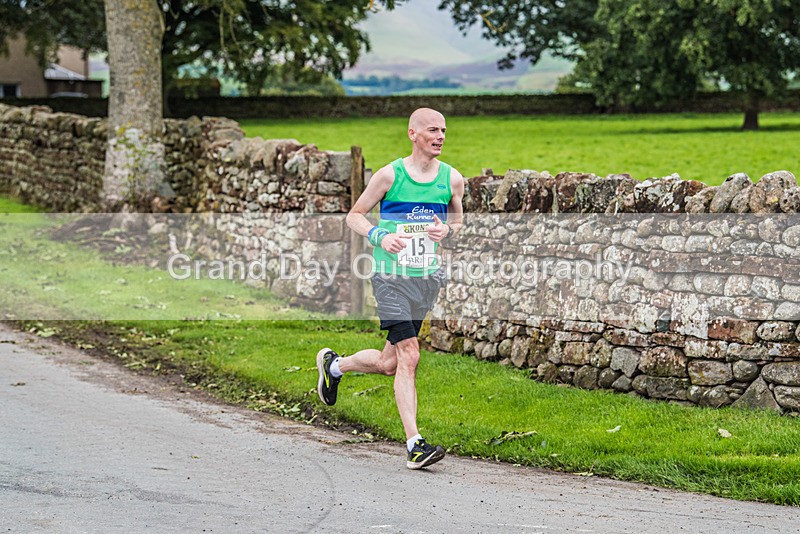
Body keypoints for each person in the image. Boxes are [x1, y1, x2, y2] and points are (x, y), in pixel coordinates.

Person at [316, 107, 464, 470]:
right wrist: (380, 236)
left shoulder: (452, 179)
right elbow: (354, 215)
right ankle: (415, 445)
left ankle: (334, 367)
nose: (440, 137)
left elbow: (458, 221)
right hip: (390, 278)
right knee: (410, 355)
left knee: (389, 363)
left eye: (444, 131)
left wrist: (447, 230)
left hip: (425, 279)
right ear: (413, 134)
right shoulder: (390, 175)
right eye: (433, 130)